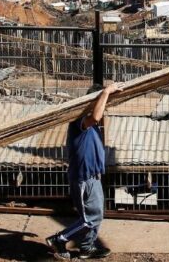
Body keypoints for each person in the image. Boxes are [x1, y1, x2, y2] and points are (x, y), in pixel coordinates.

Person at [46, 83, 120, 259]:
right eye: (103, 102)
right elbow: (95, 117)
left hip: (93, 177)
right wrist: (106, 92)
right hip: (83, 178)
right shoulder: (80, 121)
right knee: (90, 219)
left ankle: (87, 247)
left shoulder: (92, 124)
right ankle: (59, 239)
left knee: (96, 215)